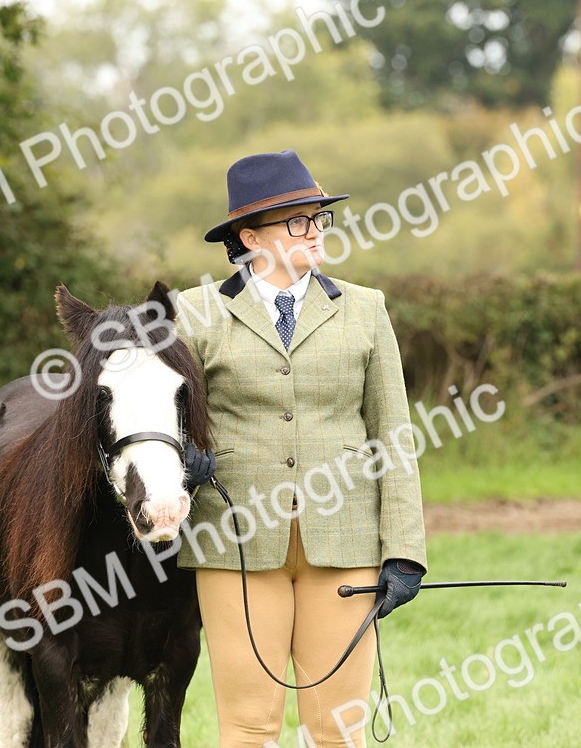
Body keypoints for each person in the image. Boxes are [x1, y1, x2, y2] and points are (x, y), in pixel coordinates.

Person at [175, 149, 428, 748]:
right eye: (298, 220)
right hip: (233, 544)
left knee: (337, 730)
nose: (316, 230)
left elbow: (394, 437)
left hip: (345, 543)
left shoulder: (366, 309)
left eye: (319, 217)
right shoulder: (195, 313)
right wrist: (186, 459)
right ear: (249, 236)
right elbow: (168, 417)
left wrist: (406, 550)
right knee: (247, 727)